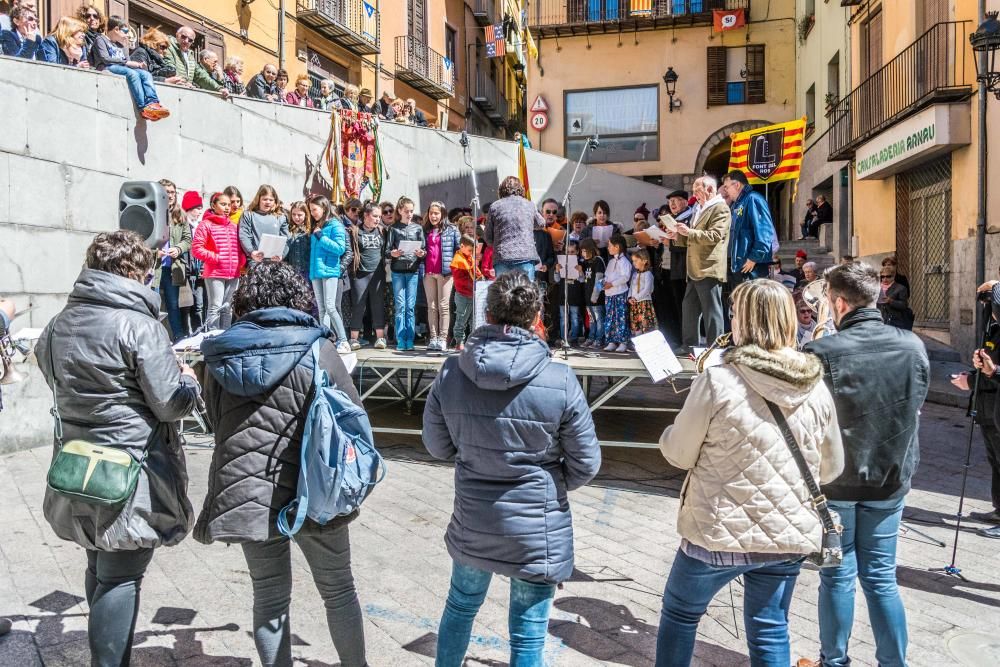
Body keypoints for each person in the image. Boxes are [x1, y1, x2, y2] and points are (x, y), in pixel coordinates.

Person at [656, 278, 843, 667]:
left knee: (681, 614)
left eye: (736, 313)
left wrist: (668, 435)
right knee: (770, 625)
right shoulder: (815, 386)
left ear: (745, 321)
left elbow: (679, 453)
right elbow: (832, 467)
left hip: (717, 532)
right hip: (787, 534)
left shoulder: (718, 380)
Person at [36, 231, 201, 667]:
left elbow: (48, 370)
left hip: (78, 461)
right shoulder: (139, 325)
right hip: (131, 471)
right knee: (120, 577)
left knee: (98, 564)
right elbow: (169, 405)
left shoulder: (58, 322)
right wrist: (188, 378)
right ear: (135, 271)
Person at [423, 271, 601, 666]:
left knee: (460, 608)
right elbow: (586, 462)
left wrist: (475, 456)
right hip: (536, 528)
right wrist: (549, 482)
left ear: (487, 311)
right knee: (528, 632)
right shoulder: (560, 378)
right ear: (537, 314)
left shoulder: (451, 372)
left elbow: (437, 446)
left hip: (474, 518)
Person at [196, 261, 367, 667]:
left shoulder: (219, 355)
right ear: (299, 299)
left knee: (269, 597)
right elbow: (355, 421)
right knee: (338, 590)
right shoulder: (318, 348)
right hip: (317, 489)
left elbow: (213, 420)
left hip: (248, 491)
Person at [801, 262, 929, 667]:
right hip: (891, 477)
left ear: (838, 303)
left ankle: (834, 661)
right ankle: (894, 663)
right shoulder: (913, 345)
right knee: (881, 578)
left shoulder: (822, 350)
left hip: (838, 482)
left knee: (838, 575)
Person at [671, 176, 730, 350]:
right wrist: (676, 236)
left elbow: (714, 236)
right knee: (689, 309)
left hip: (709, 267)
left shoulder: (721, 209)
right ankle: (689, 345)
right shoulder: (699, 207)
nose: (695, 195)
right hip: (695, 268)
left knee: (711, 312)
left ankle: (715, 348)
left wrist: (688, 232)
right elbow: (691, 238)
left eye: (698, 191)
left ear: (710, 189)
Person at [91, 15, 170, 121]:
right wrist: (127, 62)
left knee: (145, 74)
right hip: (106, 67)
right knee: (133, 74)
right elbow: (105, 58)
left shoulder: (122, 45)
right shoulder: (101, 39)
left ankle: (153, 103)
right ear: (116, 29)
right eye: (125, 31)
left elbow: (127, 62)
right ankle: (143, 108)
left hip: (122, 68)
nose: (127, 35)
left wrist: (137, 65)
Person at [193, 192, 245, 330]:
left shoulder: (234, 226)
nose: (227, 207)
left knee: (227, 308)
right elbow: (196, 249)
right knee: (215, 307)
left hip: (234, 273)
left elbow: (240, 249)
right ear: (213, 205)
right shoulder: (206, 225)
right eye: (223, 204)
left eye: (229, 204)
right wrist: (216, 258)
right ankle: (213, 337)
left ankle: (224, 337)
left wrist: (241, 263)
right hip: (215, 272)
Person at [307, 195, 351, 354]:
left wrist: (321, 236)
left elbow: (340, 249)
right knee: (322, 308)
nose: (312, 213)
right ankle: (325, 340)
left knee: (331, 307)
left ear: (324, 208)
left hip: (330, 270)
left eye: (314, 210)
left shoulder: (335, 226)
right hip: (317, 271)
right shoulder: (318, 226)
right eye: (311, 210)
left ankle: (344, 341)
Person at [151, 189, 193, 342]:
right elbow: (140, 237)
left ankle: (178, 337)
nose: (169, 195)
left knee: (174, 305)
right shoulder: (150, 212)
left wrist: (178, 248)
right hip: (154, 267)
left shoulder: (179, 214)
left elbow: (188, 240)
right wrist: (153, 252)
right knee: (152, 303)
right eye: (165, 192)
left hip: (173, 267)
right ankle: (153, 338)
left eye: (172, 192)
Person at [386, 197, 425, 351]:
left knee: (410, 307)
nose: (409, 214)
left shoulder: (417, 228)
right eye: (407, 211)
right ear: (400, 211)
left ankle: (410, 339)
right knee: (400, 306)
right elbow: (387, 251)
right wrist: (393, 253)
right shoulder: (393, 228)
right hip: (398, 271)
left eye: (411, 211)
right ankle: (401, 339)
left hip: (413, 271)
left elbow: (424, 250)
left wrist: (421, 252)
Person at [722, 170, 774, 287]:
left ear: (737, 185)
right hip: (739, 265)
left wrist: (754, 258)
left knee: (751, 303)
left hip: (751, 266)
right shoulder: (737, 204)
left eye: (727, 187)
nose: (726, 191)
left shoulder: (753, 199)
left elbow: (764, 232)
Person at [484, 176, 542, 279]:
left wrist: (499, 244)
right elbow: (541, 223)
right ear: (520, 189)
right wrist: (527, 224)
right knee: (525, 293)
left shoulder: (495, 206)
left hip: (502, 257)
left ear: (501, 190)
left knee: (503, 293)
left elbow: (488, 237)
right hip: (526, 256)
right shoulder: (529, 205)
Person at [348, 201, 388, 350]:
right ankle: (354, 339)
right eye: (375, 216)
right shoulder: (354, 231)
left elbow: (386, 250)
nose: (378, 219)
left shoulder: (382, 231)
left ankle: (380, 338)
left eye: (379, 216)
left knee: (378, 305)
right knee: (358, 305)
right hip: (360, 274)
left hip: (377, 273)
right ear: (366, 215)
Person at [422, 202, 460, 351]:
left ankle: (443, 339)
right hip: (428, 273)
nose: (433, 216)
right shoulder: (425, 230)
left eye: (436, 213)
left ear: (443, 214)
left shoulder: (452, 230)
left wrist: (452, 267)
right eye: (431, 213)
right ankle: (433, 338)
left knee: (443, 306)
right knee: (431, 307)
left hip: (445, 273)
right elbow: (423, 249)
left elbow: (459, 250)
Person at [655, 193, 691, 346]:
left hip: (681, 270)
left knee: (681, 308)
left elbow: (690, 244)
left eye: (676, 201)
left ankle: (684, 340)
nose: (672, 204)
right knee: (669, 307)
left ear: (685, 202)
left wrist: (670, 243)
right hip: (667, 270)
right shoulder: (672, 219)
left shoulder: (689, 217)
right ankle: (673, 338)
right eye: (670, 201)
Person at [178, 188, 206, 332]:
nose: (200, 211)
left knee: (199, 304)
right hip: (184, 270)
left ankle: (198, 333)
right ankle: (185, 333)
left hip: (199, 271)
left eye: (201, 208)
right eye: (197, 208)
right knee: (185, 305)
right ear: (189, 208)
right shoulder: (182, 225)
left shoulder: (200, 226)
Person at [240, 184, 290, 266]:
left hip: (275, 261)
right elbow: (244, 235)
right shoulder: (248, 215)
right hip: (255, 261)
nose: (268, 202)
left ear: (275, 201)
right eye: (265, 199)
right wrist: (251, 252)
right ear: (258, 199)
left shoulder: (281, 217)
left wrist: (282, 255)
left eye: (271, 200)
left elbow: (286, 239)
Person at [450, 235, 483, 351]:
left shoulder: (469, 257)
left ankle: (472, 342)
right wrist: (474, 283)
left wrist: (481, 279)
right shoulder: (457, 262)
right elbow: (461, 281)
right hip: (463, 295)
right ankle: (459, 342)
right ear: (462, 246)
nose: (471, 253)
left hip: (473, 294)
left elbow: (477, 273)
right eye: (470, 250)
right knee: (461, 319)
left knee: (474, 320)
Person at [602, 234, 631, 353]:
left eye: (610, 246)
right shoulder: (611, 261)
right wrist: (603, 283)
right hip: (609, 294)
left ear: (617, 247)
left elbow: (625, 277)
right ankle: (612, 340)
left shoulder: (624, 261)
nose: (608, 248)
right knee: (610, 317)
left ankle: (623, 341)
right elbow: (607, 275)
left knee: (621, 317)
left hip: (619, 293)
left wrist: (612, 284)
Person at [552, 240, 584, 346]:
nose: (570, 254)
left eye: (572, 252)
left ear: (577, 252)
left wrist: (580, 272)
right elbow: (556, 280)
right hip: (563, 294)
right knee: (563, 317)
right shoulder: (561, 262)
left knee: (574, 316)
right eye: (568, 252)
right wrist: (556, 270)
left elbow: (582, 280)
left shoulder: (581, 263)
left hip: (575, 294)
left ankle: (573, 338)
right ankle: (563, 337)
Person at [579, 238, 606, 349]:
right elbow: (582, 280)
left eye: (586, 251)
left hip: (596, 298)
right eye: (582, 251)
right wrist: (580, 271)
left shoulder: (598, 261)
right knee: (591, 319)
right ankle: (591, 337)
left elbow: (600, 280)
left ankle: (599, 339)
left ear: (592, 249)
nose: (583, 254)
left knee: (599, 319)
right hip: (587, 297)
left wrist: (595, 296)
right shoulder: (585, 263)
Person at [628, 248, 657, 339]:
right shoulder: (634, 275)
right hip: (635, 304)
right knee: (636, 325)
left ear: (644, 261)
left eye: (636, 261)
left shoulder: (648, 274)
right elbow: (631, 287)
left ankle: (648, 344)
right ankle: (639, 343)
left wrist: (636, 297)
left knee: (645, 325)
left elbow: (647, 289)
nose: (634, 263)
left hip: (644, 303)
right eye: (633, 261)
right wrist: (629, 297)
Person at [286, 200, 312, 285]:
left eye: (300, 215)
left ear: (306, 215)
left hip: (307, 271)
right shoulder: (288, 228)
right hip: (291, 271)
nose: (296, 217)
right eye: (294, 214)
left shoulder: (310, 230)